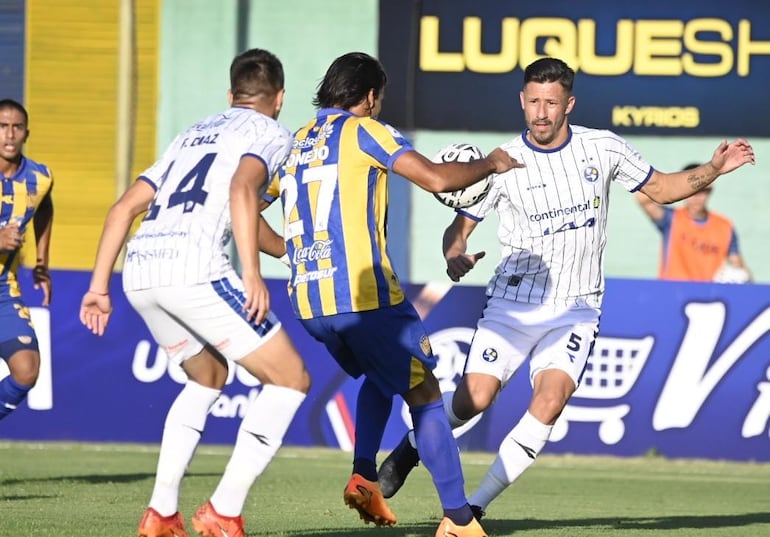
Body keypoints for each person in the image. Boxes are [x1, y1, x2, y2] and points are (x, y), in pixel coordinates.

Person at [377, 57, 756, 519]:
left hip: (577, 307)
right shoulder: (501, 162)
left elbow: (661, 188)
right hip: (512, 305)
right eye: (533, 101)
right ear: (522, 101)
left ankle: (473, 509)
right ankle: (412, 447)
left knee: (551, 401)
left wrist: (713, 169)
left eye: (551, 103)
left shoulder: (603, 149)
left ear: (568, 104)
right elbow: (457, 231)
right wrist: (453, 254)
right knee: (473, 398)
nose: (540, 112)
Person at [264, 52, 521, 537]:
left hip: (309, 303)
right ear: (369, 97)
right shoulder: (365, 130)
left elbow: (248, 206)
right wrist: (491, 163)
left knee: (384, 376)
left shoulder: (294, 143)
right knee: (425, 396)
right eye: (377, 99)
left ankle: (364, 474)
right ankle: (460, 520)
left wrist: (290, 253)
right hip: (365, 295)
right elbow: (437, 178)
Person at [79, 48, 311, 537]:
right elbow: (243, 193)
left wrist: (97, 288)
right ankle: (224, 511)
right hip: (196, 271)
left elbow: (122, 209)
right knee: (290, 379)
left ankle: (161, 513)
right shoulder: (270, 132)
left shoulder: (192, 133)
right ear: (280, 98)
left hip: (141, 272)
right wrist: (252, 274)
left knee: (207, 376)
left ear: (231, 95)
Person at [0, 98, 54, 422]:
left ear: (26, 133)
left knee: (27, 368)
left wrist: (41, 261)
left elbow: (45, 208)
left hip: (3, 291)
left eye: (16, 127)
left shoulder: (40, 177)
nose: (9, 134)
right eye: (2, 127)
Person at [636, 163, 752, 282]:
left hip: (708, 296)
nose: (696, 196)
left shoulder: (724, 226)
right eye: (692, 191)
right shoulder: (672, 219)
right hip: (672, 292)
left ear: (710, 190)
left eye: (702, 190)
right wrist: (678, 184)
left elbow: (739, 266)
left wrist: (744, 278)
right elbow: (642, 198)